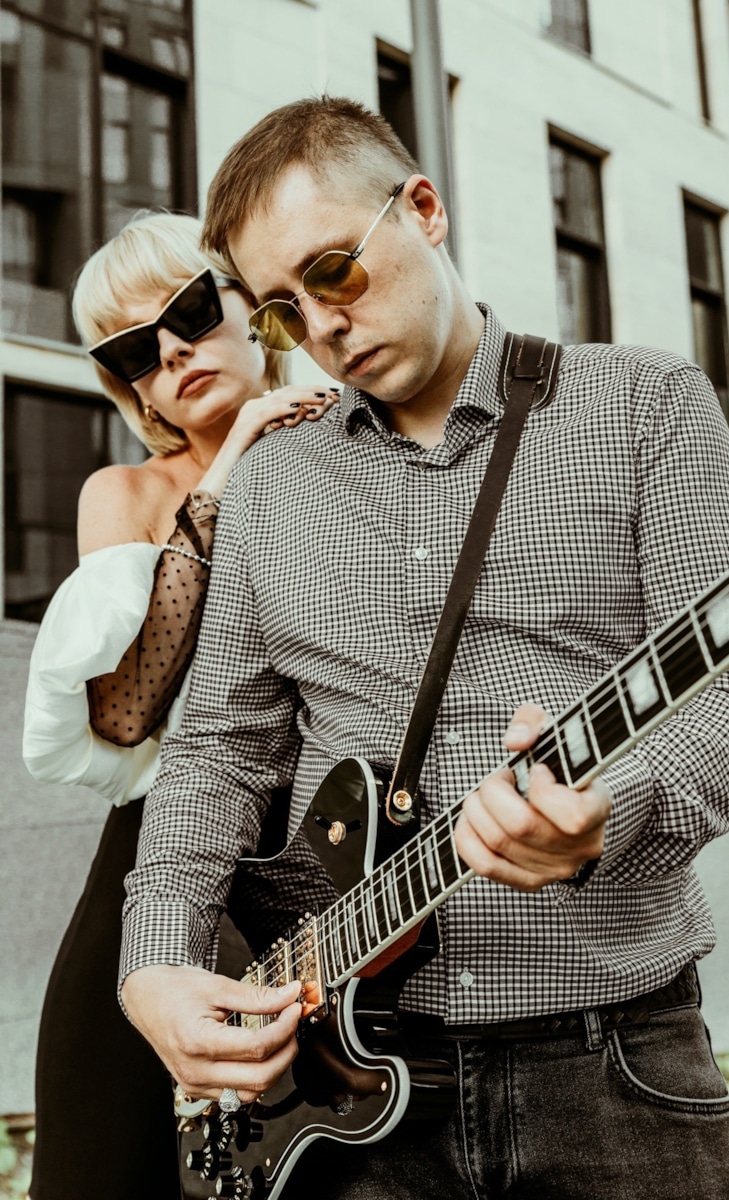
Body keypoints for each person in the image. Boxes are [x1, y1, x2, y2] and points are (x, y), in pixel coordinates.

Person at [119, 99, 729, 1199]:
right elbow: (219, 748)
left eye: (332, 271)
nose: (322, 328)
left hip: (613, 1064)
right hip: (336, 1088)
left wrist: (609, 812)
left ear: (422, 209)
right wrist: (155, 960)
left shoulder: (645, 405)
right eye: (282, 313)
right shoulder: (273, 479)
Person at [21, 210, 338, 1200]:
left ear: (252, 308)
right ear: (130, 388)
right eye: (133, 351)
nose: (169, 352)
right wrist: (229, 463)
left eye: (190, 312)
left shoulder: (352, 446)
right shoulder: (123, 493)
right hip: (153, 878)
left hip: (332, 867)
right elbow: (126, 709)